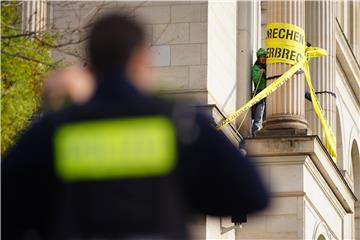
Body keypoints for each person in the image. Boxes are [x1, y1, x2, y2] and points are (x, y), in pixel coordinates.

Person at [2, 13, 269, 240]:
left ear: (89, 66)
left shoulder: (55, 130)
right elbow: (254, 195)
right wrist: (187, 198)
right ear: (142, 60)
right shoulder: (180, 124)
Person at [251, 48, 267, 137]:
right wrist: (261, 73)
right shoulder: (256, 68)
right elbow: (256, 80)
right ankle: (255, 134)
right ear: (258, 58)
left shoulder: (269, 67)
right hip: (260, 95)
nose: (263, 58)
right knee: (259, 117)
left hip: (268, 95)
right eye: (261, 57)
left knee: (266, 118)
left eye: (265, 57)